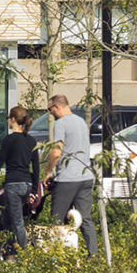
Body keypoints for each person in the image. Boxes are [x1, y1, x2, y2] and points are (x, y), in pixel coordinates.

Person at [45, 92, 96, 258]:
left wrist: (48, 172)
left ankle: (57, 258)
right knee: (85, 218)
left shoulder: (61, 123)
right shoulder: (81, 122)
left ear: (57, 107)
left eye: (50, 109)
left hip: (67, 178)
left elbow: (57, 151)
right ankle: (93, 256)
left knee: (57, 220)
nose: (50, 113)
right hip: (86, 175)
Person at [0, 103, 38, 256]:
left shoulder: (9, 140)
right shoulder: (31, 141)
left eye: (9, 118)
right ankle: (9, 252)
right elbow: (36, 168)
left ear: (14, 119)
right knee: (7, 218)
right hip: (27, 184)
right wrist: (34, 191)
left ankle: (25, 257)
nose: (8, 121)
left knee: (17, 222)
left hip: (13, 185)